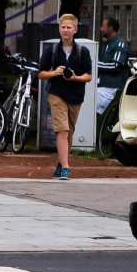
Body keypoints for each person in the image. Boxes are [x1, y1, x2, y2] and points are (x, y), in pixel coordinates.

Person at [39, 13, 92, 180]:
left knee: (69, 133)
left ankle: (61, 163)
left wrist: (75, 77)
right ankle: (66, 168)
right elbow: (41, 74)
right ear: (59, 29)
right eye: (63, 27)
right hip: (57, 93)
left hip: (76, 95)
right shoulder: (52, 51)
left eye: (69, 27)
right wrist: (54, 72)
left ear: (75, 30)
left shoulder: (82, 51)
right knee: (62, 130)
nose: (65, 30)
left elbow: (88, 76)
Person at [96, 17, 129, 115]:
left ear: (110, 28)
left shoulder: (119, 44)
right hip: (103, 84)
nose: (100, 29)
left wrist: (94, 64)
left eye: (103, 26)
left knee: (92, 111)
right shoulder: (108, 44)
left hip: (110, 87)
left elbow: (116, 66)